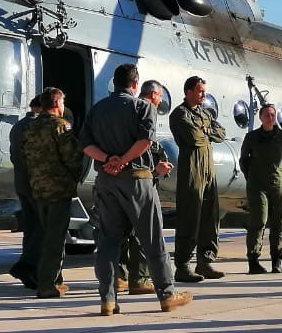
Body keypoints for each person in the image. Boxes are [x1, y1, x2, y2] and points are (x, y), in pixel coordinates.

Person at [78, 63, 192, 316]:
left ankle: (107, 300)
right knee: (152, 239)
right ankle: (167, 294)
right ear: (135, 84)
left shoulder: (97, 110)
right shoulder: (143, 107)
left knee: (108, 242)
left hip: (106, 180)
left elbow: (85, 146)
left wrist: (109, 160)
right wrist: (125, 160)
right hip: (137, 180)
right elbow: (145, 141)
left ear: (114, 83)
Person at [111, 80, 173, 297]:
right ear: (154, 95)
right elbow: (142, 150)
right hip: (139, 182)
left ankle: (118, 278)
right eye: (161, 97)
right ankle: (141, 280)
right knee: (144, 234)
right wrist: (156, 171)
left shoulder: (123, 112)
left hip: (118, 181)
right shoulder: (145, 111)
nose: (161, 101)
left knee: (120, 231)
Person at [20, 87, 80, 298]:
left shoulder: (30, 128)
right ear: (57, 104)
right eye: (62, 103)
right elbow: (73, 159)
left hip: (38, 190)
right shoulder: (61, 127)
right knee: (55, 239)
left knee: (47, 236)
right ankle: (46, 285)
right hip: (58, 190)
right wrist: (74, 178)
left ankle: (54, 280)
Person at [169, 75, 228, 282]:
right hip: (192, 172)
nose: (204, 94)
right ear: (189, 92)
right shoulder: (179, 114)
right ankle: (183, 266)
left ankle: (205, 261)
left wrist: (207, 130)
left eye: (204, 91)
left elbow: (221, 133)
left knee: (210, 218)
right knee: (189, 218)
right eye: (200, 91)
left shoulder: (205, 113)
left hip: (208, 171)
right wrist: (206, 132)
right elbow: (194, 138)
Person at [239, 102, 282, 273]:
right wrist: (251, 177)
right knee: (258, 221)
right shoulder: (252, 137)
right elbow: (243, 161)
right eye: (267, 115)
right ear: (260, 117)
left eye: (272, 115)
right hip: (257, 185)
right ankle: (253, 260)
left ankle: (277, 260)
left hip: (278, 183)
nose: (270, 118)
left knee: (279, 223)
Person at [7, 100, 44, 289]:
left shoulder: (17, 126)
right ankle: (27, 265)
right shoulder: (38, 127)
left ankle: (30, 269)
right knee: (43, 228)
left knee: (30, 227)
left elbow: (13, 156)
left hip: (21, 182)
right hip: (37, 184)